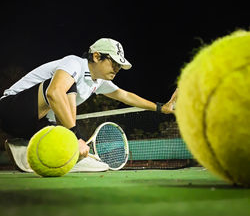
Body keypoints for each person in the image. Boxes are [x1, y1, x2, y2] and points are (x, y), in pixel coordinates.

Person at [0, 38, 177, 172]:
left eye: (119, 66)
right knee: (66, 88)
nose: (117, 69)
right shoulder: (74, 62)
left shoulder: (98, 81)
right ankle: (66, 141)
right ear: (96, 56)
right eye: (114, 63)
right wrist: (75, 137)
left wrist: (162, 107)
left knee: (67, 144)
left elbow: (125, 96)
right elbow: (53, 93)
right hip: (10, 109)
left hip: (31, 125)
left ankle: (23, 147)